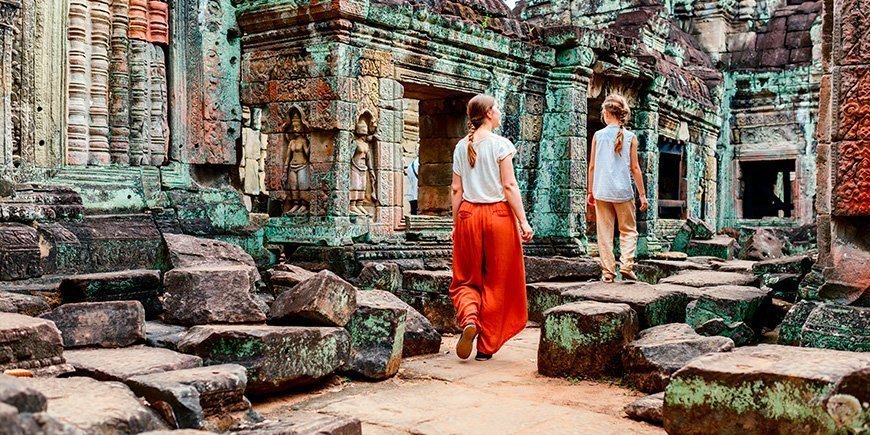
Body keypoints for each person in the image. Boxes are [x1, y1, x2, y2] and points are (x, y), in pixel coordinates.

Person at [449, 94, 533, 361]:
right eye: (496, 108)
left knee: (465, 279)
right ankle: (485, 347)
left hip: (468, 216)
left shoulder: (461, 146)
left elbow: (455, 189)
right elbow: (509, 186)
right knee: (498, 282)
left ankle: (470, 319)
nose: (499, 112)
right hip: (498, 216)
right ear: (487, 114)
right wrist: (523, 221)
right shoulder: (500, 144)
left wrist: (456, 224)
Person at [586, 94, 649, 283]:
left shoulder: (598, 135)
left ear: (606, 113)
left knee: (604, 233)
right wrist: (642, 195)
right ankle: (627, 264)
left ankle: (608, 272)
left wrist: (590, 191)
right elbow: (635, 168)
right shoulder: (630, 137)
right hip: (623, 192)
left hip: (602, 190)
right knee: (628, 230)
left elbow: (592, 166)